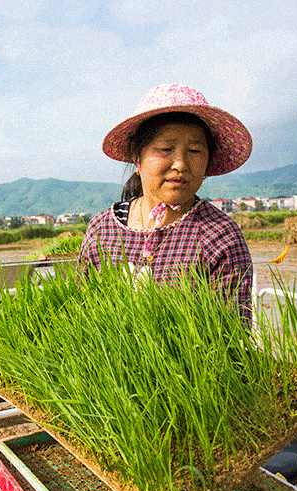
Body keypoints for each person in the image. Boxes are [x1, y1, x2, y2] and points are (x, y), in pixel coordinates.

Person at [79, 83, 254, 321]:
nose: (180, 164)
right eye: (165, 149)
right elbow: (82, 316)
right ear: (136, 156)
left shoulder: (219, 236)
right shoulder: (102, 230)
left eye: (194, 151)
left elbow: (231, 335)